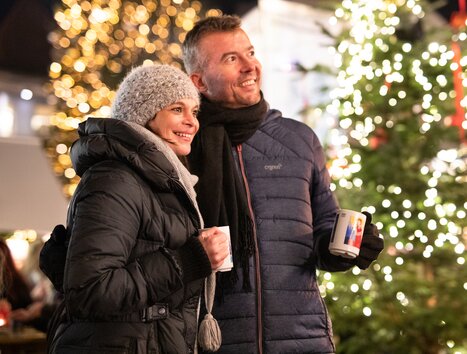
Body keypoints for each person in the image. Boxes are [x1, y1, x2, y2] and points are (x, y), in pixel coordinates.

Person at [182, 15, 385, 353]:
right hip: (217, 341)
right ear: (200, 82)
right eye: (231, 59)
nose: (250, 66)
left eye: (250, 52)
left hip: (303, 337)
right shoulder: (185, 147)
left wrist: (350, 249)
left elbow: (323, 232)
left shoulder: (299, 140)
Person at [47, 64, 229, 354]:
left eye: (194, 112)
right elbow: (92, 291)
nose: (192, 122)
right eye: (177, 109)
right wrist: (188, 260)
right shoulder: (115, 179)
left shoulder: (160, 178)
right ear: (144, 113)